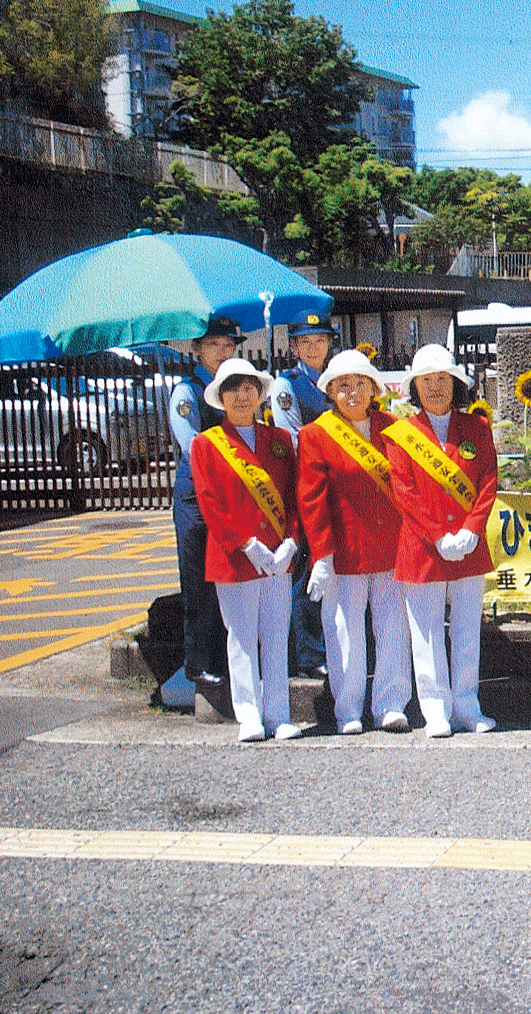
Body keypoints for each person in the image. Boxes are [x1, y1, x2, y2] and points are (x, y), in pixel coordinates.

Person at [385, 344, 499, 738]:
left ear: (455, 384)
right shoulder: (399, 435)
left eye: (442, 379)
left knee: (467, 630)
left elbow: (487, 482)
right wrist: (439, 535)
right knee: (427, 633)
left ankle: (468, 706)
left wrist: (470, 529)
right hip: (422, 548)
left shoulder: (477, 429)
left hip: (469, 546)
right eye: (427, 380)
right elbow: (404, 491)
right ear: (415, 387)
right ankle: (435, 710)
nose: (435, 387)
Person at [297, 349, 412, 735]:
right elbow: (311, 500)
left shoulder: (392, 427)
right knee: (344, 630)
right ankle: (348, 709)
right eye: (342, 385)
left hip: (391, 546)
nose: (351, 392)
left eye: (359, 384)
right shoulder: (315, 434)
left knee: (393, 626)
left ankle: (391, 704)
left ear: (373, 388)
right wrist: (321, 556)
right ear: (329, 391)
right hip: (343, 551)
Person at [189, 358, 302, 742]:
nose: (242, 395)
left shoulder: (281, 441)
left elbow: (292, 498)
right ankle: (249, 715)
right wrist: (246, 543)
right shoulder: (206, 444)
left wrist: (291, 542)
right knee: (240, 639)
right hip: (235, 557)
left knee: (275, 636)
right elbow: (209, 502)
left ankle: (279, 713)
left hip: (278, 557)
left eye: (249, 387)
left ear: (260, 394)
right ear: (221, 397)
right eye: (233, 388)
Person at [168, 316, 244, 689]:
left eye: (230, 347)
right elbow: (193, 447)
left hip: (233, 495)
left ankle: (228, 660)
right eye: (215, 345)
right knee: (199, 579)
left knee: (230, 579)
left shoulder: (242, 388)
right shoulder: (187, 392)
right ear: (196, 348)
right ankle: (198, 662)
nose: (223, 353)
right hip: (198, 494)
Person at [268, 315, 336, 677]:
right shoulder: (288, 386)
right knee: (309, 571)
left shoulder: (336, 380)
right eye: (305, 342)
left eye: (319, 340)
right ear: (293, 347)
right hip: (307, 486)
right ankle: (310, 655)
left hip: (338, 488)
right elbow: (292, 440)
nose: (313, 348)